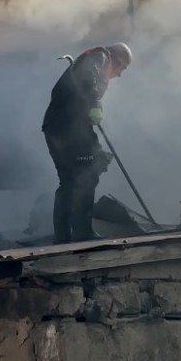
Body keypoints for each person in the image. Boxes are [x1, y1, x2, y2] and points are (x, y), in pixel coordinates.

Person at [41, 42, 133, 244]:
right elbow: (88, 77)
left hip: (58, 128)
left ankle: (62, 237)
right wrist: (95, 104)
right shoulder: (99, 57)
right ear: (116, 59)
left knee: (69, 182)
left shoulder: (93, 63)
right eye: (123, 68)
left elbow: (83, 117)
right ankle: (82, 232)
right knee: (86, 177)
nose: (119, 75)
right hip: (67, 130)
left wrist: (96, 149)